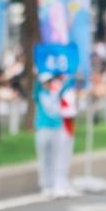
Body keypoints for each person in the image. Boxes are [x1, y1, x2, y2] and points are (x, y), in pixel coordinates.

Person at [33, 71, 76, 199]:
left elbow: (66, 86)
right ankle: (45, 185)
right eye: (46, 82)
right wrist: (36, 77)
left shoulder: (55, 94)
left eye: (50, 81)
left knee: (55, 158)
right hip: (42, 129)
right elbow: (35, 88)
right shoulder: (39, 95)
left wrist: (70, 75)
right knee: (43, 158)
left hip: (56, 129)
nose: (48, 84)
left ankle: (54, 184)